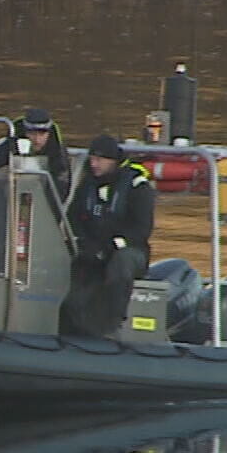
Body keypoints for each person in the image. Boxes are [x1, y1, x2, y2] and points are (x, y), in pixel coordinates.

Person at [61, 134, 155, 337]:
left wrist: (112, 246)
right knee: (77, 268)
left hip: (129, 250)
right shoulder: (87, 186)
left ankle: (111, 324)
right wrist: (83, 242)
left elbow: (141, 229)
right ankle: (73, 325)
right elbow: (73, 218)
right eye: (92, 159)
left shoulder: (136, 186)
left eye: (100, 160)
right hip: (93, 247)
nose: (94, 164)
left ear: (113, 161)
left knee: (122, 264)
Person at [0, 107, 72, 197]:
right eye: (32, 133)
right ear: (25, 132)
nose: (37, 140)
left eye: (42, 134)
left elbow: (62, 188)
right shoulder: (13, 143)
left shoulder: (57, 152)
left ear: (49, 133)